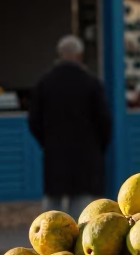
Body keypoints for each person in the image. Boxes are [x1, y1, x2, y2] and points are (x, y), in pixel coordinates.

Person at [28, 35, 113, 220]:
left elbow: (34, 120)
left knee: (52, 205)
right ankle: (76, 243)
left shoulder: (45, 82)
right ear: (79, 55)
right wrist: (99, 148)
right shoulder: (91, 82)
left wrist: (47, 141)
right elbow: (104, 120)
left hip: (55, 152)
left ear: (60, 54)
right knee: (80, 206)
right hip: (85, 154)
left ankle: (48, 242)